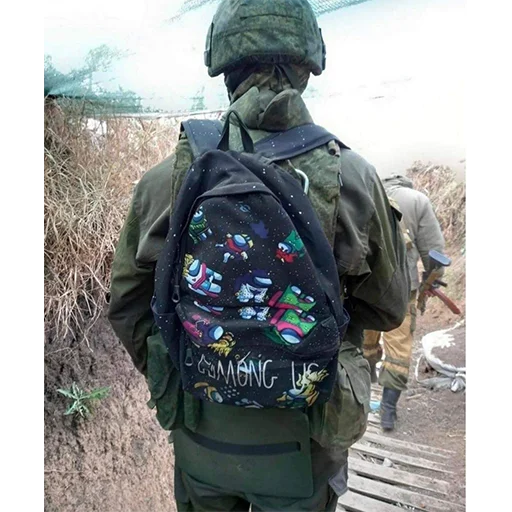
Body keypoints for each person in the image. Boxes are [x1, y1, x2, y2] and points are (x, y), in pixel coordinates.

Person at [108, 1, 410, 510]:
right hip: (305, 444)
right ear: (307, 66)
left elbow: (127, 304)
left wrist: (188, 364)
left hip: (201, 434)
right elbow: (388, 308)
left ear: (223, 66)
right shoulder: (353, 177)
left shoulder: (167, 179)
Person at [363, 174, 445, 432]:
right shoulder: (417, 200)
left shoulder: (365, 188)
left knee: (364, 339)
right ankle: (388, 411)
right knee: (398, 346)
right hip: (402, 286)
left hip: (365, 284)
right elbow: (434, 250)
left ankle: (362, 395)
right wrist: (432, 279)